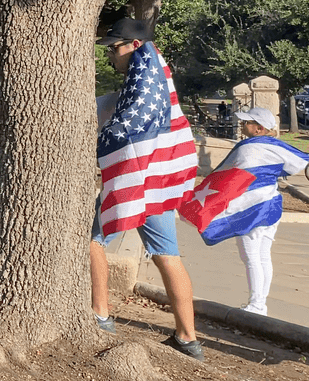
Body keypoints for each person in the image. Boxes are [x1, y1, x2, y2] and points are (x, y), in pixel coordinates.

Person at [92, 18, 202, 360]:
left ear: (135, 45)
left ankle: (100, 316)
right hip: (159, 185)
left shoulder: (144, 81)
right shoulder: (153, 77)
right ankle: (188, 339)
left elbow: (130, 126)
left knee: (89, 239)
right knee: (167, 255)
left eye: (115, 47)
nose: (111, 55)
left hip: (141, 180)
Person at [179, 107, 308, 317]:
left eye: (247, 122)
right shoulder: (276, 146)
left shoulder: (249, 148)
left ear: (259, 128)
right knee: (263, 257)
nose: (242, 125)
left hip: (253, 208)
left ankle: (256, 306)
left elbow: (230, 178)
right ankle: (260, 304)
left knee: (251, 257)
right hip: (271, 205)